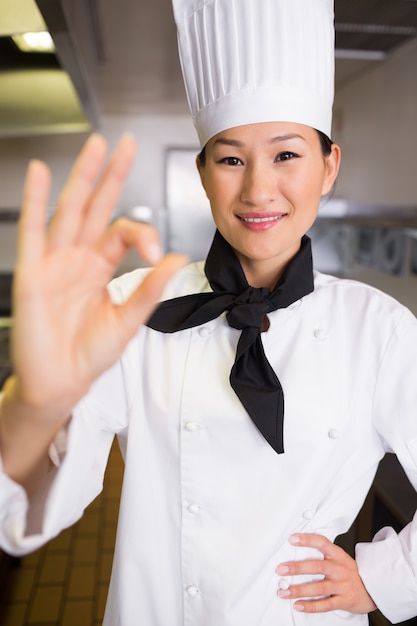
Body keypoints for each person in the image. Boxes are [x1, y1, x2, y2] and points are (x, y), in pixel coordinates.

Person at [1, 0, 417, 624]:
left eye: (286, 155)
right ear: (202, 173)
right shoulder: (132, 307)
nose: (257, 190)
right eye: (230, 159)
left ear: (328, 167)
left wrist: (382, 580)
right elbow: (22, 521)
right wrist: (32, 404)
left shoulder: (378, 329)